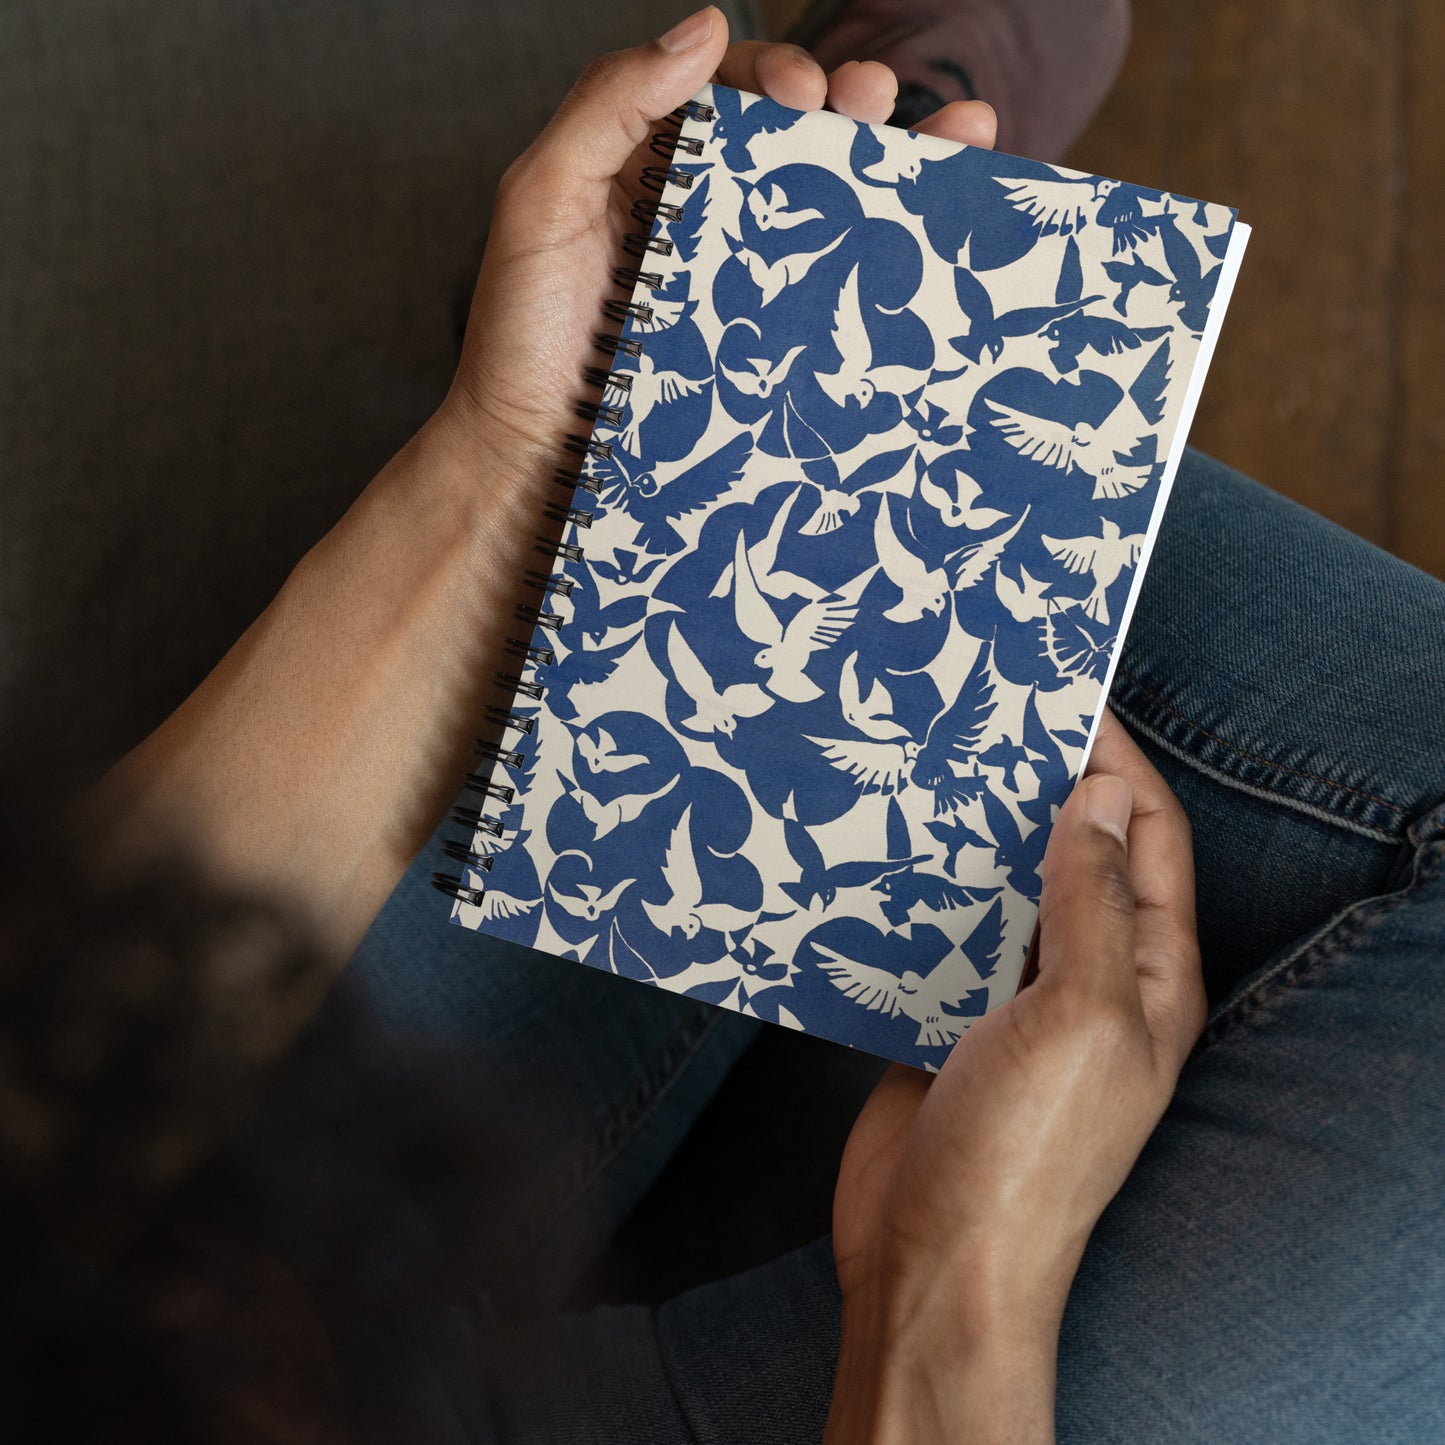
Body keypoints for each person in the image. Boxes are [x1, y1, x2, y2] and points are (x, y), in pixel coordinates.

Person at [3, 6, 1442, 1442]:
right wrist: (947, 1294)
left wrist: (500, 465)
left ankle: (728, 324)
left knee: (689, 585)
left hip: (143, 1289)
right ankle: (828, 278)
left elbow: (47, 1080)